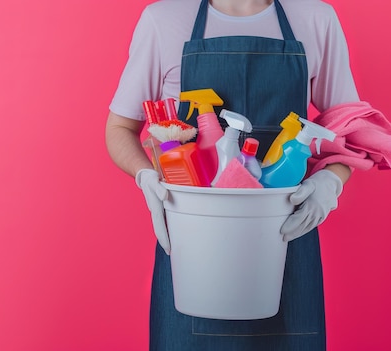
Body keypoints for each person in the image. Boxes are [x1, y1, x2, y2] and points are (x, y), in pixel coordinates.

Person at [105, 0, 391, 349]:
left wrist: (330, 182)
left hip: (285, 237)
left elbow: (349, 129)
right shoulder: (163, 20)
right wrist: (146, 176)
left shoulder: (316, 19)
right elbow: (119, 127)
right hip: (194, 245)